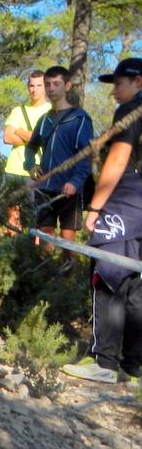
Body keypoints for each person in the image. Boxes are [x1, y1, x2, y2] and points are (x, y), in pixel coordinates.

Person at [62, 58, 142, 384]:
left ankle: (103, 362)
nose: (114, 92)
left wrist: (95, 208)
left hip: (126, 199)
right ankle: (134, 367)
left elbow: (118, 158)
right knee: (136, 282)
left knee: (106, 274)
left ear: (138, 82)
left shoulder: (130, 112)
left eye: (119, 83)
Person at [24, 66, 93, 271]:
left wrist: (75, 181)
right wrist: (30, 165)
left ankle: (67, 286)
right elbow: (31, 146)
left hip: (69, 191)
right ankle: (44, 280)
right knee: (44, 241)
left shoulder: (80, 118)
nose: (51, 89)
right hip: (45, 189)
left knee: (67, 245)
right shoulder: (44, 120)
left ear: (67, 85)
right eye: (48, 84)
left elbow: (86, 155)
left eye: (56, 84)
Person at [2, 70, 50, 232]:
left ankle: (34, 255)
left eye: (39, 85)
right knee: (12, 219)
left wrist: (20, 131)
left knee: (37, 220)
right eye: (31, 85)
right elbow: (8, 137)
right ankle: (13, 252)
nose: (34, 89)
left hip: (37, 172)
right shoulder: (18, 111)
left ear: (45, 87)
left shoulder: (51, 112)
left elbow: (48, 139)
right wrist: (35, 137)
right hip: (13, 170)